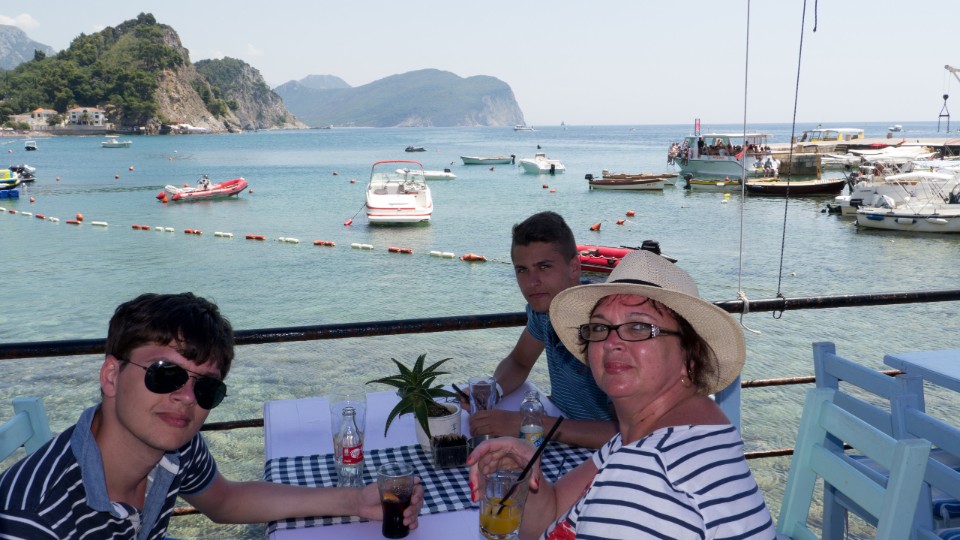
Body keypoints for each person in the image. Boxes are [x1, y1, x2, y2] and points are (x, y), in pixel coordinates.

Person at [0, 292, 424, 538]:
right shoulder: (34, 519)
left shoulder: (175, 447)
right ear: (112, 375)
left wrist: (356, 500)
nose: (187, 397)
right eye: (166, 374)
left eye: (206, 387)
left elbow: (226, 501)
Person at [468, 251, 776, 539]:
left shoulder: (648, 473)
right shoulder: (650, 435)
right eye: (600, 328)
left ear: (689, 355)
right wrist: (522, 472)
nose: (612, 342)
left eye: (639, 327)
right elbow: (554, 509)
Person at [467, 211, 617, 449]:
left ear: (574, 267)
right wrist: (491, 392)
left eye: (544, 267)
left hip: (603, 450)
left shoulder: (608, 328)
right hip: (562, 431)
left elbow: (631, 432)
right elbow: (519, 362)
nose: (531, 282)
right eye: (522, 270)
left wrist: (533, 423)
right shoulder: (544, 310)